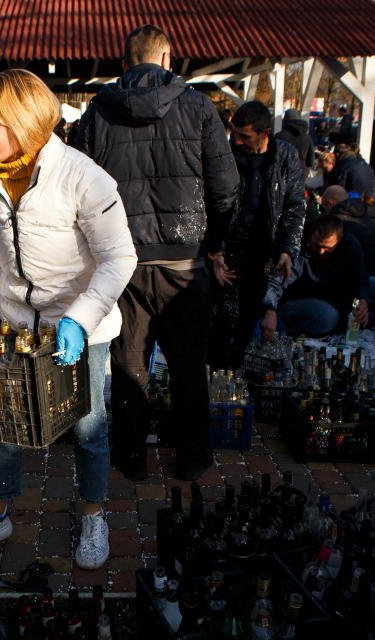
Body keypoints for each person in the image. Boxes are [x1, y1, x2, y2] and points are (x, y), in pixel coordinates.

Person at [0, 69, 136, 569]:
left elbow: (119, 257)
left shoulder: (83, 177)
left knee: (88, 428)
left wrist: (79, 318)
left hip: (81, 326)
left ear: (24, 120)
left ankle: (92, 512)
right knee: (1, 423)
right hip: (14, 323)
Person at [70, 24, 239, 481]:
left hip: (123, 260)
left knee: (129, 365)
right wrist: (214, 244)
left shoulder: (96, 113)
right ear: (168, 58)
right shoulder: (198, 106)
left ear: (125, 64)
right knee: (188, 365)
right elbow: (225, 188)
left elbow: (75, 190)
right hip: (184, 259)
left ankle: (130, 458)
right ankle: (193, 455)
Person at [211, 100, 305, 367]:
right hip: (229, 249)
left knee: (250, 317)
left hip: (264, 249)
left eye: (244, 135)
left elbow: (295, 207)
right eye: (235, 133)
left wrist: (287, 250)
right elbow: (210, 204)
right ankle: (219, 374)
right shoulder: (227, 154)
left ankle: (236, 375)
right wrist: (214, 251)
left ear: (265, 134)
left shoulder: (285, 156)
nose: (237, 141)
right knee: (221, 321)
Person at [261, 215, 375, 337]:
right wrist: (270, 309)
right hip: (301, 301)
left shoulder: (350, 244)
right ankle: (291, 334)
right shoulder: (299, 248)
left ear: (339, 239)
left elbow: (360, 276)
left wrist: (363, 299)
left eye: (326, 248)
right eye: (316, 245)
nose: (320, 251)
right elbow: (276, 282)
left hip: (335, 296)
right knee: (328, 316)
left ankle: (352, 324)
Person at [321, 185, 375, 278]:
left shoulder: (338, 223)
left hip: (369, 274)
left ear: (329, 203)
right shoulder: (373, 213)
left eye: (323, 208)